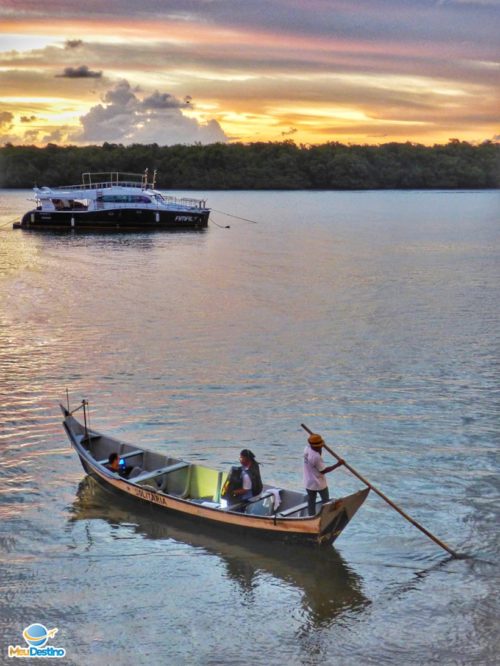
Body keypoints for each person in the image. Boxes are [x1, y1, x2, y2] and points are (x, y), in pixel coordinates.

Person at [303, 433, 344, 516]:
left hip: (308, 481)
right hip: (319, 482)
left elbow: (318, 452)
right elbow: (323, 470)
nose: (321, 447)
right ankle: (326, 516)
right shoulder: (316, 457)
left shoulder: (306, 448)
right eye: (320, 446)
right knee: (326, 501)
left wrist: (318, 445)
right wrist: (338, 464)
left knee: (311, 501)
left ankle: (311, 516)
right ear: (316, 446)